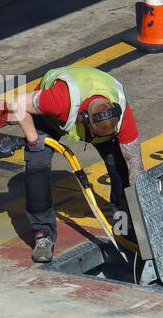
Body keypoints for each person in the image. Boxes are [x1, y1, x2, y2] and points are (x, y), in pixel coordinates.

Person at [9, 65, 144, 262]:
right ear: (84, 120)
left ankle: (123, 229)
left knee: (122, 173)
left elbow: (135, 162)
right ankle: (42, 235)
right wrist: (32, 138)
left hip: (90, 108)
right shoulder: (57, 100)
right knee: (37, 168)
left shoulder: (121, 111)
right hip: (50, 118)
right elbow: (17, 103)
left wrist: (139, 195)